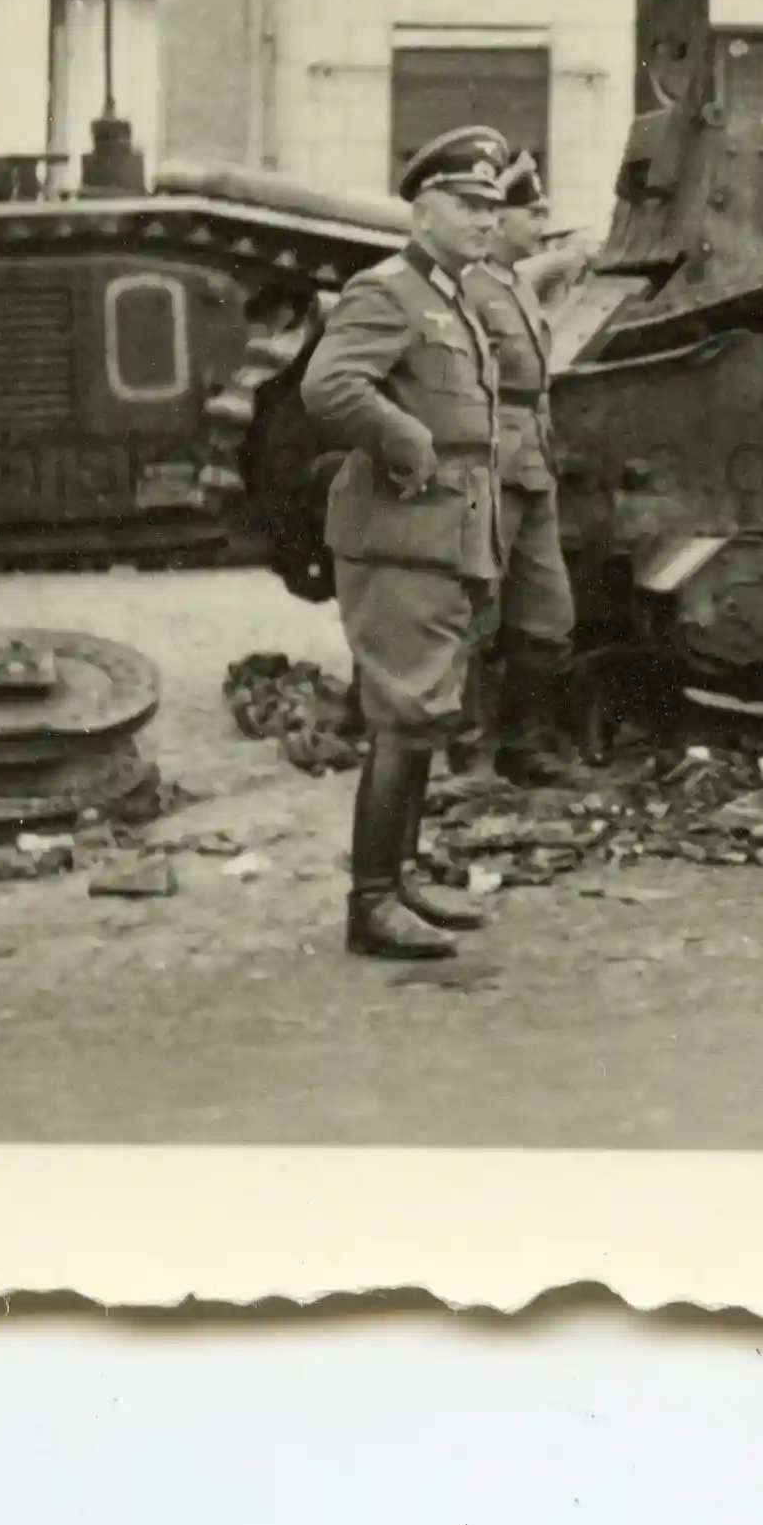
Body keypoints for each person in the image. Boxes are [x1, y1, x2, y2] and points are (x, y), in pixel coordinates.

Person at [297, 129, 529, 960]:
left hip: (445, 531)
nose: (481, 218)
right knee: (401, 717)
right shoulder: (387, 289)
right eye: (465, 204)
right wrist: (402, 436)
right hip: (400, 529)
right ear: (421, 208)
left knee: (424, 713)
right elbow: (328, 384)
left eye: (490, 206)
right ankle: (370, 903)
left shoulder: (457, 293)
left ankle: (398, 880)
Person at [430, 126, 588, 787]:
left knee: (547, 615)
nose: (541, 222)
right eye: (533, 212)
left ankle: (528, 745)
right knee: (469, 611)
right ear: (494, 225)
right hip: (484, 464)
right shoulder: (466, 288)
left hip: (530, 466)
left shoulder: (516, 286)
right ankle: (458, 754)